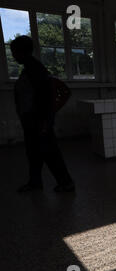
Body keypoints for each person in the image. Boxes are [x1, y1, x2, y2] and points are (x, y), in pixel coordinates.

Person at [11, 35, 75, 192]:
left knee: (50, 153)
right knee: (34, 154)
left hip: (38, 121)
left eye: (14, 52)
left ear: (22, 52)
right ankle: (35, 183)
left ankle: (66, 183)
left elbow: (46, 99)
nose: (13, 56)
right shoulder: (29, 69)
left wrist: (46, 120)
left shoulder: (36, 71)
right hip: (33, 120)